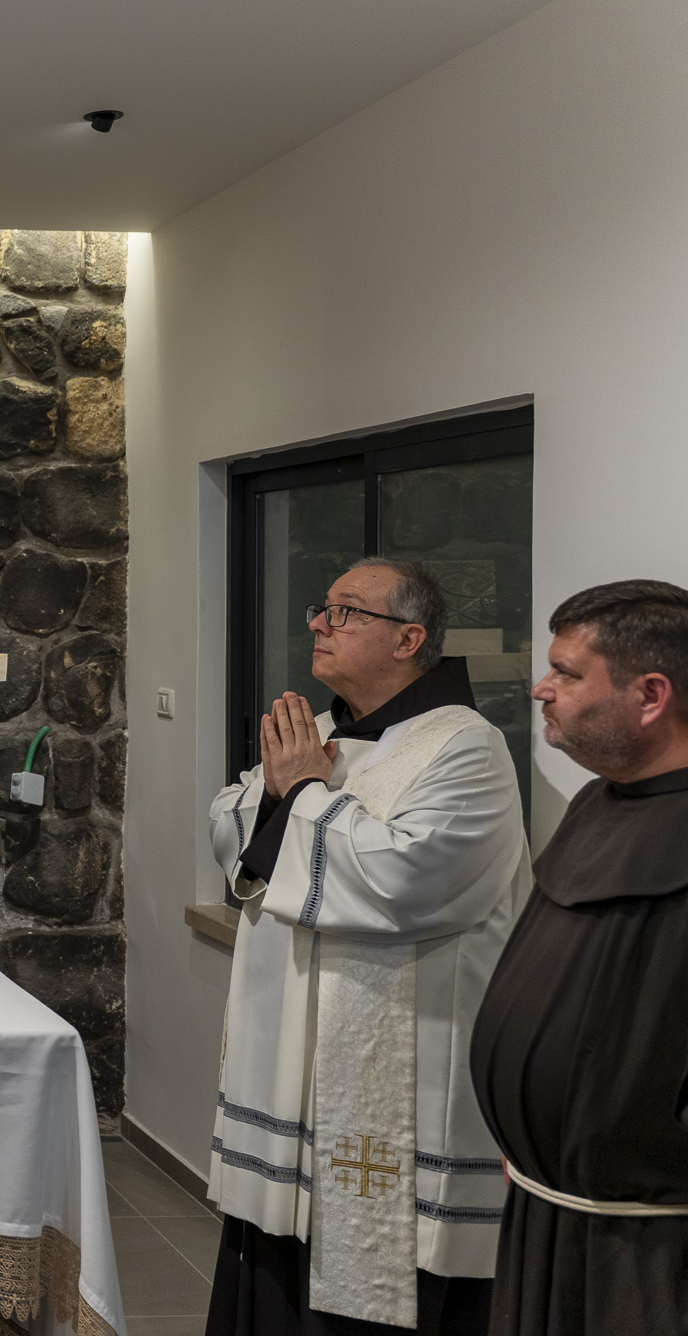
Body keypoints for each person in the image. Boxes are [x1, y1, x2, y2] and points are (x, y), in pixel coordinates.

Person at [205, 558, 528, 1334]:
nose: (319, 623)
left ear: (409, 638)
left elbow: (405, 879)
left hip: (395, 1085)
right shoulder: (320, 733)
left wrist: (302, 792)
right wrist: (280, 791)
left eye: (345, 611)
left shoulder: (465, 747)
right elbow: (230, 824)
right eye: (323, 608)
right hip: (288, 1073)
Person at [469, 580, 688, 1334]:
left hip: (647, 1247)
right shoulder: (599, 800)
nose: (541, 688)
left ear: (651, 695)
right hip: (549, 1206)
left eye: (566, 673)